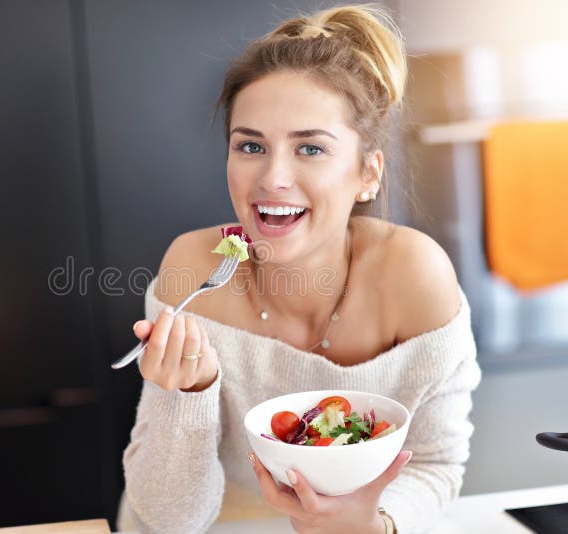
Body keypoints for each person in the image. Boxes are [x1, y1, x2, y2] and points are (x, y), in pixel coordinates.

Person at [117, 4, 481, 533]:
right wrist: (188, 396)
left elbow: (434, 463)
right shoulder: (195, 269)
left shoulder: (414, 276)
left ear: (367, 174)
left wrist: (374, 526)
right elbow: (173, 520)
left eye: (310, 147)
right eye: (250, 146)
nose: (273, 177)